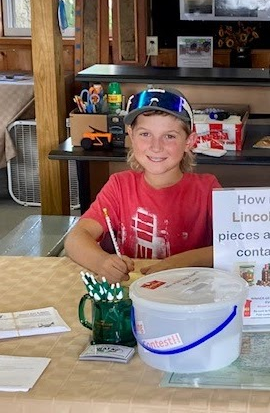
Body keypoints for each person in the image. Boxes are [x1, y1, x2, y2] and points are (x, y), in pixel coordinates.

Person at [65, 87, 220, 284]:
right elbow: (75, 239)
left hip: (190, 296)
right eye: (145, 134)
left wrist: (181, 262)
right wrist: (102, 262)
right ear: (131, 135)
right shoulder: (119, 186)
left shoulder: (208, 190)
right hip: (134, 294)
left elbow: (238, 246)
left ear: (189, 141)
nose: (156, 146)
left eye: (169, 136)